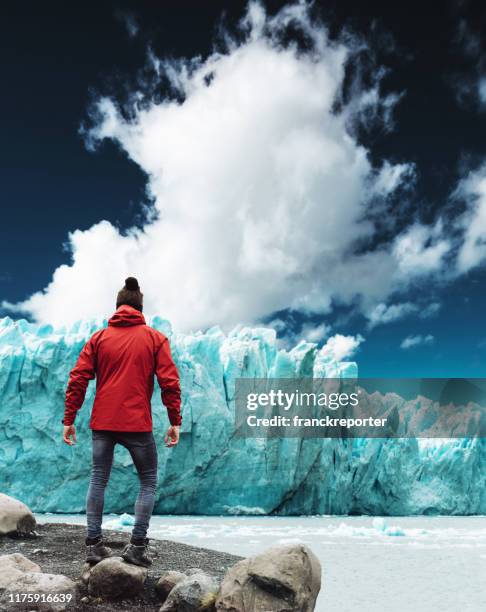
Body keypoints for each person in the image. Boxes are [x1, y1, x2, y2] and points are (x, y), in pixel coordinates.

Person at [62, 277, 181, 568]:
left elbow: (78, 378)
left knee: (98, 478)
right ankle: (137, 547)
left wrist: (69, 418)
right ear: (141, 308)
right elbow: (169, 382)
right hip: (137, 424)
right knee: (148, 481)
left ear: (117, 307)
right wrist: (174, 420)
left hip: (102, 421)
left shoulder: (99, 338)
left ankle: (93, 545)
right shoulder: (154, 338)